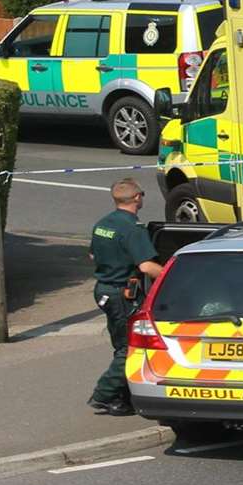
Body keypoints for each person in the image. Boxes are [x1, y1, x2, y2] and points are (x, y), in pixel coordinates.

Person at [87, 178, 164, 416]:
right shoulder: (132, 229)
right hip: (123, 294)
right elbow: (146, 266)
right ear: (137, 198)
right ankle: (104, 394)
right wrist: (172, 277)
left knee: (120, 344)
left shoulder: (103, 224)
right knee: (130, 347)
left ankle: (120, 397)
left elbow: (92, 256)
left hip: (104, 289)